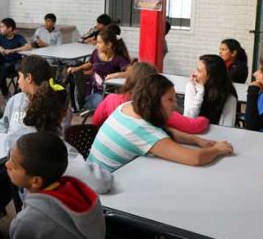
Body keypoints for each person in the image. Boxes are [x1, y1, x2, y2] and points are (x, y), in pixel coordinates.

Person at [88, 74, 234, 173]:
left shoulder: (128, 107)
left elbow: (163, 130)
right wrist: (218, 150)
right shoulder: (141, 131)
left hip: (93, 175)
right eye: (170, 100)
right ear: (153, 101)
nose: (175, 105)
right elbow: (195, 158)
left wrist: (196, 140)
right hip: (106, 193)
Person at [5, 132, 107, 239]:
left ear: (36, 181)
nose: (6, 164)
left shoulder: (26, 222)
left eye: (14, 166)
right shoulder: (83, 193)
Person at [93, 62, 209, 133]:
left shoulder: (111, 99)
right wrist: (208, 119)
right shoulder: (154, 110)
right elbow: (194, 126)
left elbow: (95, 122)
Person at [0, 55, 71, 135]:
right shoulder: (15, 100)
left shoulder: (56, 104)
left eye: (19, 76)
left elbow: (59, 135)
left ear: (29, 77)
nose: (18, 81)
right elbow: (3, 125)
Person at [67, 27, 130, 109]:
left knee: (106, 105)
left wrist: (115, 75)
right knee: (98, 104)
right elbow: (90, 63)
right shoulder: (96, 53)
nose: (96, 45)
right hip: (94, 91)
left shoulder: (118, 58)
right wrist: (78, 68)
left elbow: (131, 72)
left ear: (109, 45)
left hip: (110, 94)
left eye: (99, 43)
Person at [184, 54, 238, 126]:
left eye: (199, 71)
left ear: (212, 76)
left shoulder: (229, 97)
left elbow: (227, 128)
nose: (194, 74)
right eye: (196, 69)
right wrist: (200, 93)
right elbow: (188, 120)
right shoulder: (192, 87)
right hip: (191, 133)